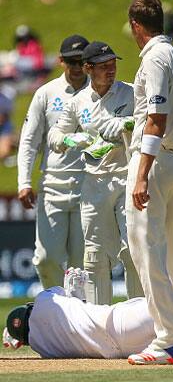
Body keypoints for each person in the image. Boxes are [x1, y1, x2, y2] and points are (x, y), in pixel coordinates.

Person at [126, 0, 173, 365]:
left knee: (146, 248)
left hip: (154, 162)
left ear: (137, 26)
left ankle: (167, 339)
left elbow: (156, 119)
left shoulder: (155, 58)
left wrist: (141, 174)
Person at [46, 41, 143, 305]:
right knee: (95, 256)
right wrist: (70, 141)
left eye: (113, 65)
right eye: (103, 67)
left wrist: (125, 124)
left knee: (133, 252)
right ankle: (100, 324)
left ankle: (140, 321)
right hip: (94, 183)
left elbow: (151, 121)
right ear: (88, 68)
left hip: (126, 178)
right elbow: (55, 134)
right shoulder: (78, 103)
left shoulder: (131, 93)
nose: (110, 70)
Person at [2, 270, 173, 360]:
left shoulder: (43, 349)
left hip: (118, 349)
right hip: (118, 322)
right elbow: (70, 294)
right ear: (29, 309)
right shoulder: (45, 298)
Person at [17, 34, 89, 290]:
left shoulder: (100, 91)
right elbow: (29, 141)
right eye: (72, 62)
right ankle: (54, 311)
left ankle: (81, 321)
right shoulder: (46, 94)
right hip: (53, 188)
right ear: (60, 61)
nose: (78, 67)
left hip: (89, 188)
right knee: (46, 260)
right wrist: (24, 182)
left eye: (82, 61)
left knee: (84, 266)